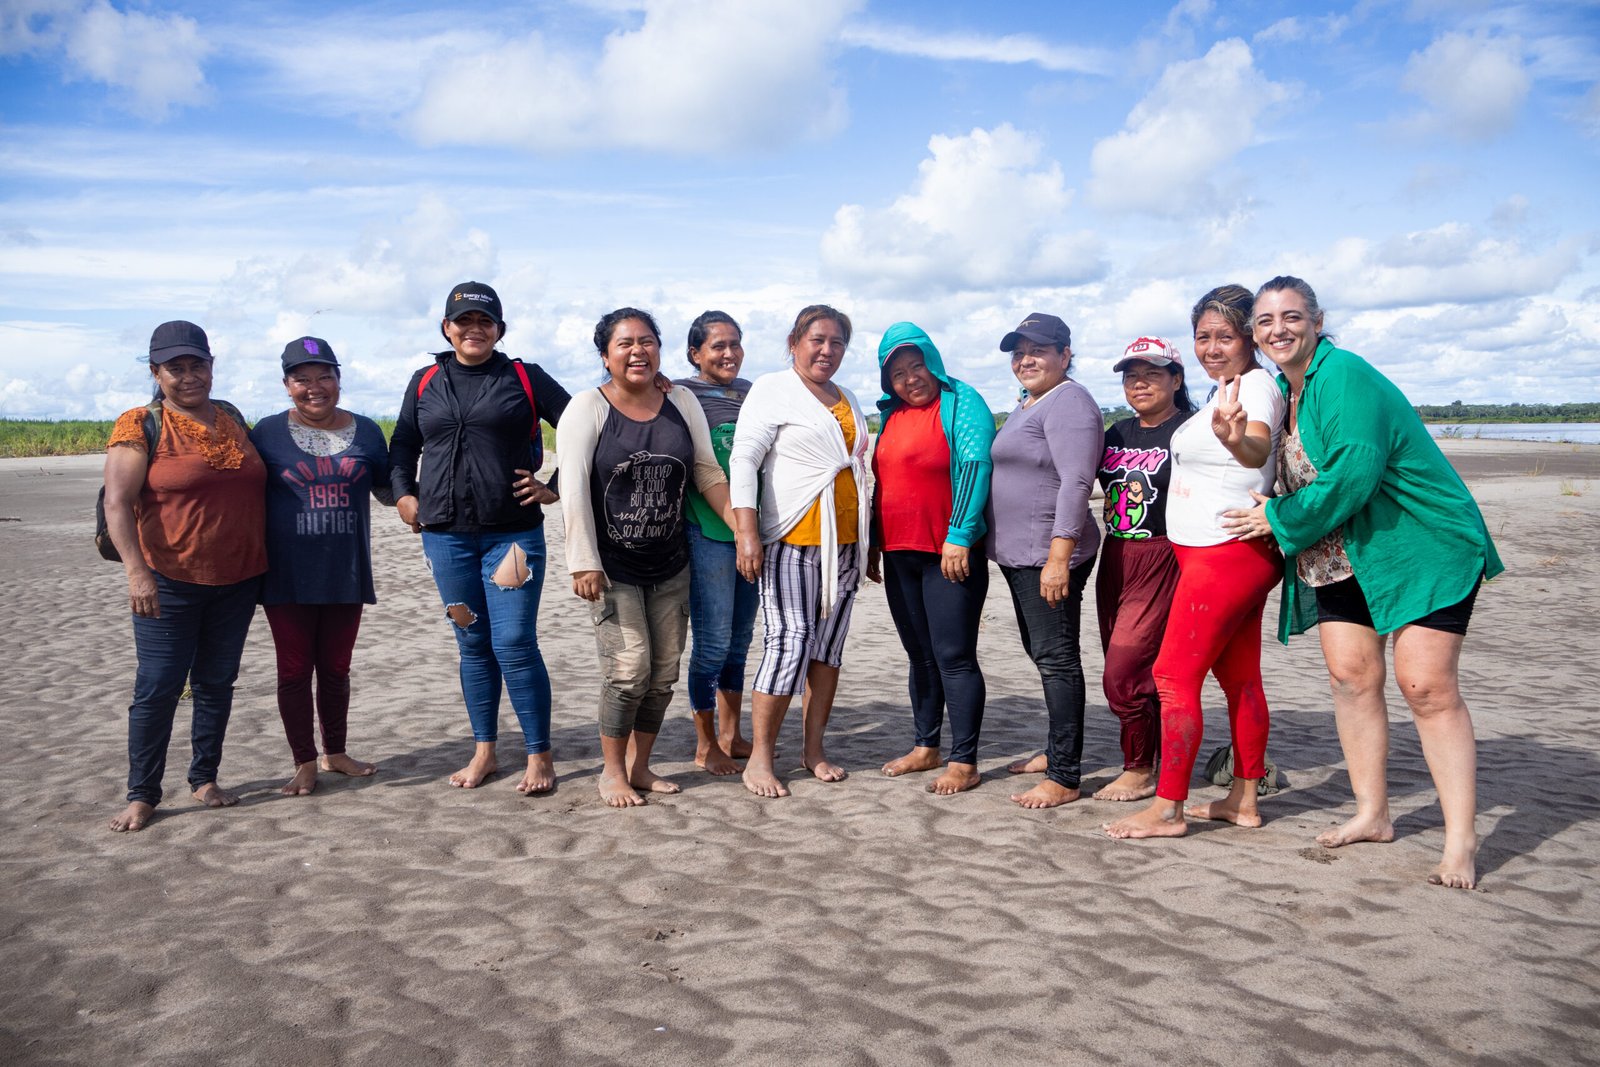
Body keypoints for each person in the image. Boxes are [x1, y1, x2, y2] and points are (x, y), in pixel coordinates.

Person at [1223, 276, 1501, 889]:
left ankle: (1460, 838)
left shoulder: (1342, 373)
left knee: (1425, 686)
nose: (1279, 330)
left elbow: (1354, 474)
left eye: (1291, 316)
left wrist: (1272, 516)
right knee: (1352, 679)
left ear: (1317, 321)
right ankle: (1373, 813)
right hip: (1339, 555)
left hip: (1418, 545)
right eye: (1266, 321)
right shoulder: (1287, 391)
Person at [1105, 285, 1285, 840]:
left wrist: (1238, 441)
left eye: (1224, 336)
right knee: (1239, 679)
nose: (1212, 347)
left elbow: (1254, 445)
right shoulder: (1228, 388)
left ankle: (1167, 808)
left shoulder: (1252, 391)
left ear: (1250, 336)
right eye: (1203, 336)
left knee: (1171, 676)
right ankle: (1243, 798)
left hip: (1221, 556)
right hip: (1225, 556)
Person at [389, 281, 570, 795]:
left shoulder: (523, 378)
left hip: (512, 536)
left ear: (499, 329)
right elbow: (402, 442)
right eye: (462, 321)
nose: (474, 329)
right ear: (447, 329)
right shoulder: (425, 381)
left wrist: (552, 487)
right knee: (472, 642)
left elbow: (584, 428)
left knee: (513, 642)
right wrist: (404, 494)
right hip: (445, 538)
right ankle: (485, 751)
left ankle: (539, 755)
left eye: (484, 322)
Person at [558, 308, 734, 807]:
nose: (638, 351)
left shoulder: (679, 399)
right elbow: (571, 489)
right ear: (605, 355)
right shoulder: (588, 407)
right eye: (625, 343)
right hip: (612, 566)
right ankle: (611, 771)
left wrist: (742, 529)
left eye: (647, 341)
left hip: (671, 562)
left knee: (662, 672)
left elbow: (705, 470)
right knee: (629, 669)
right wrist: (582, 561)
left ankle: (640, 766)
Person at [103, 321, 267, 832]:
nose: (189, 375)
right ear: (157, 372)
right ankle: (142, 794)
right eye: (176, 367)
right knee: (158, 686)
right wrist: (137, 574)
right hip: (167, 580)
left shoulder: (233, 417)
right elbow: (117, 502)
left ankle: (205, 778)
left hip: (239, 580)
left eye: (198, 364)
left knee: (216, 683)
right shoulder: (140, 424)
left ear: (212, 367)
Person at [729, 304, 869, 798]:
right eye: (817, 340)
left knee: (828, 650)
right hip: (791, 539)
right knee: (789, 642)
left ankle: (813, 749)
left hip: (847, 544)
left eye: (836, 342)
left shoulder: (847, 397)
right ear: (794, 342)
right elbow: (744, 458)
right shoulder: (773, 389)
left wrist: (869, 544)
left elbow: (859, 469)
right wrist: (747, 533)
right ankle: (761, 759)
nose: (827, 350)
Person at [250, 337, 389, 796]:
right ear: (286, 385)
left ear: (339, 378)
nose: (315, 387)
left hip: (345, 573)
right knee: (293, 672)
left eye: (324, 376)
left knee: (335, 669)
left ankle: (336, 751)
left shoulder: (368, 431)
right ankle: (304, 761)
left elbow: (393, 489)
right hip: (286, 577)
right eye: (302, 379)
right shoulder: (266, 432)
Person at [866, 322, 995, 795]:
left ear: (932, 361)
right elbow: (883, 484)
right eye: (898, 373)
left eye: (916, 365)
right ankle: (927, 747)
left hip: (949, 554)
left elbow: (977, 465)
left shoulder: (961, 401)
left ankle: (965, 761)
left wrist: (959, 535)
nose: (910, 378)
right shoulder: (891, 414)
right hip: (900, 552)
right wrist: (874, 545)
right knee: (919, 655)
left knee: (953, 657)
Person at [986, 313, 1103, 809]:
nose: (1026, 359)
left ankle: (1065, 774)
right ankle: (1057, 750)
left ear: (1065, 355)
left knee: (1057, 659)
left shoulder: (1070, 402)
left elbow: (1077, 482)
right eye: (1018, 352)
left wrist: (1059, 556)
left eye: (1038, 350)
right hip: (1023, 556)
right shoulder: (1033, 402)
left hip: (1047, 555)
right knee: (1043, 654)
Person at [1092, 337, 1196, 801]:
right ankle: (1149, 757)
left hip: (1163, 556)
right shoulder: (1115, 434)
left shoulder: (1191, 430)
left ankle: (1138, 770)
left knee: (1123, 669)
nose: (1139, 383)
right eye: (1131, 375)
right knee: (1136, 669)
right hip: (1115, 555)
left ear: (1176, 379)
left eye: (1152, 373)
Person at [675, 311, 757, 775]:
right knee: (711, 643)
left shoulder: (752, 393)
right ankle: (705, 743)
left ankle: (732, 734)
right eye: (718, 346)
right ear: (696, 354)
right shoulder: (682, 395)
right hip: (707, 531)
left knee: (741, 641)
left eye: (735, 344)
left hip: (753, 532)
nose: (729, 354)